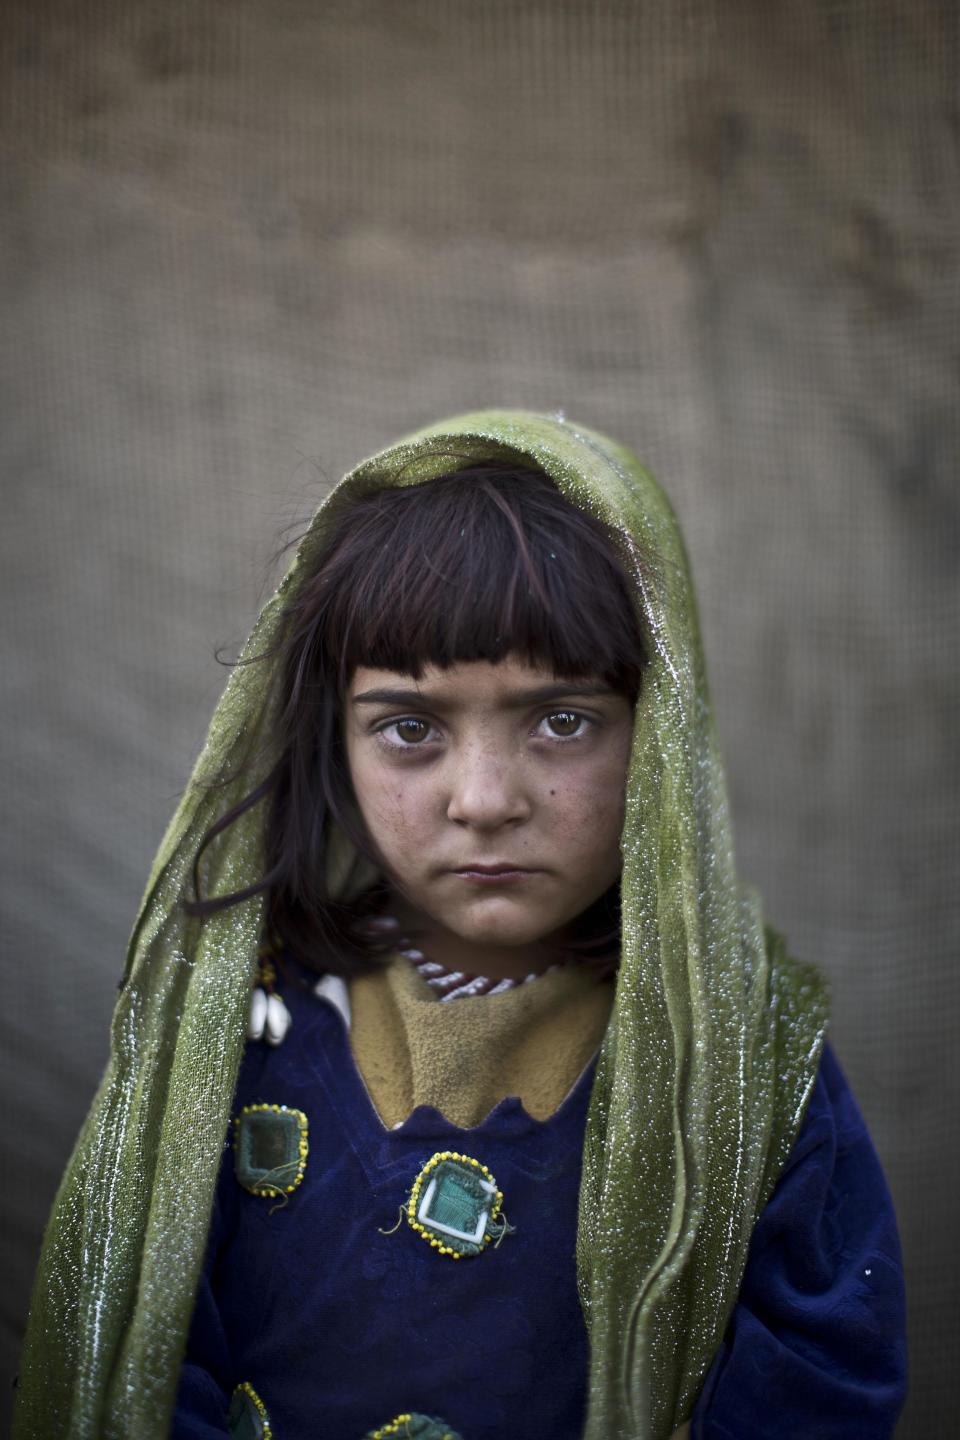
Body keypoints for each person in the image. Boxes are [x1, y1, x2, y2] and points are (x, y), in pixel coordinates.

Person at [13, 411, 907, 1440]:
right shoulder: (234, 1028)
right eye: (409, 728)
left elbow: (819, 1380)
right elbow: (154, 1355)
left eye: (562, 720)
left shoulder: (745, 1065)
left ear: (659, 733)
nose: (483, 799)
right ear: (330, 742)